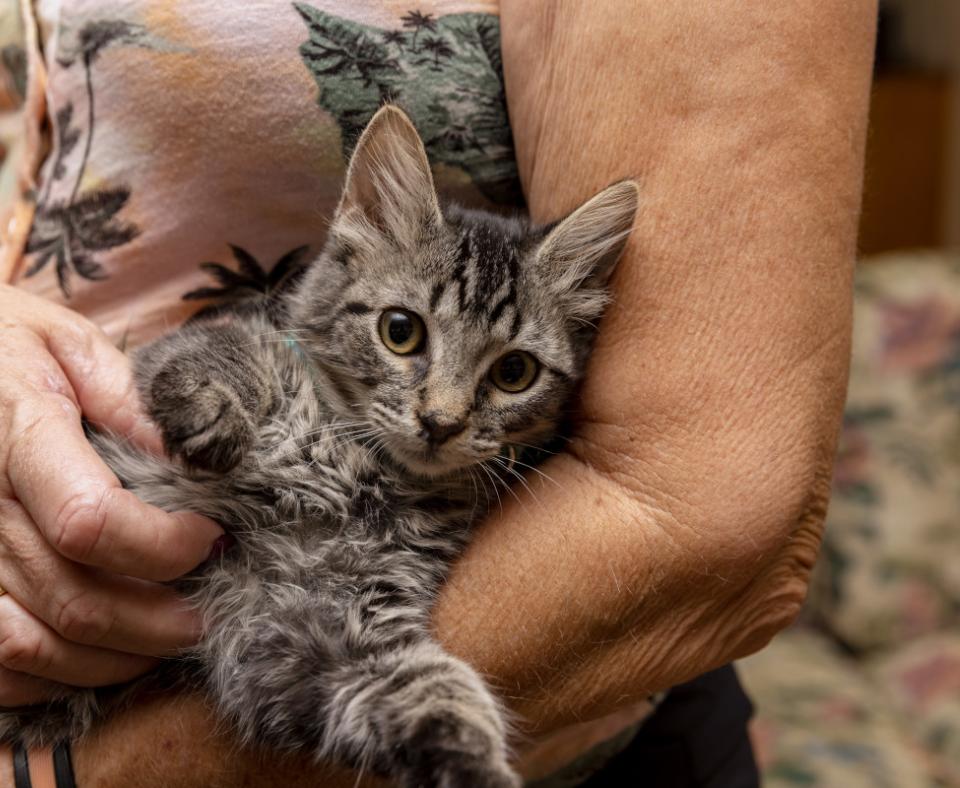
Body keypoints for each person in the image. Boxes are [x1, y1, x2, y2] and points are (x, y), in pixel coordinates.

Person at [0, 0, 877, 785]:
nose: (444, 411)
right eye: (404, 333)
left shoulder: (437, 513)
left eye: (510, 372)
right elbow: (191, 369)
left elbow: (715, 507)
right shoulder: (272, 366)